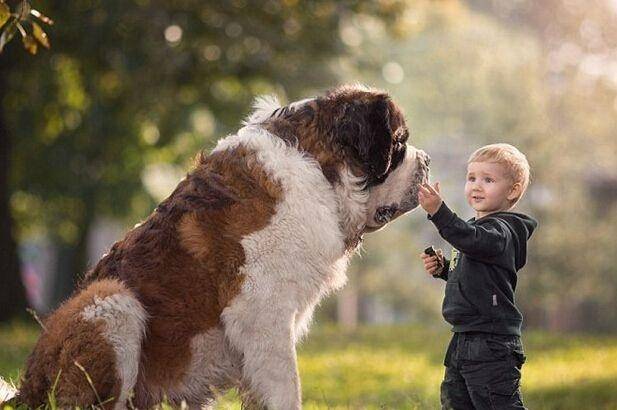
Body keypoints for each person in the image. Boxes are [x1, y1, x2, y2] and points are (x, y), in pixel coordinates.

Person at [418, 143, 538, 410]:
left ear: (513, 190)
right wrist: (444, 269)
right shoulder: (476, 231)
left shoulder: (504, 231)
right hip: (463, 338)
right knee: (455, 404)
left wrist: (439, 213)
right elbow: (476, 275)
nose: (476, 186)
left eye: (488, 179)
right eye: (471, 178)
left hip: (491, 341)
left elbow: (474, 241)